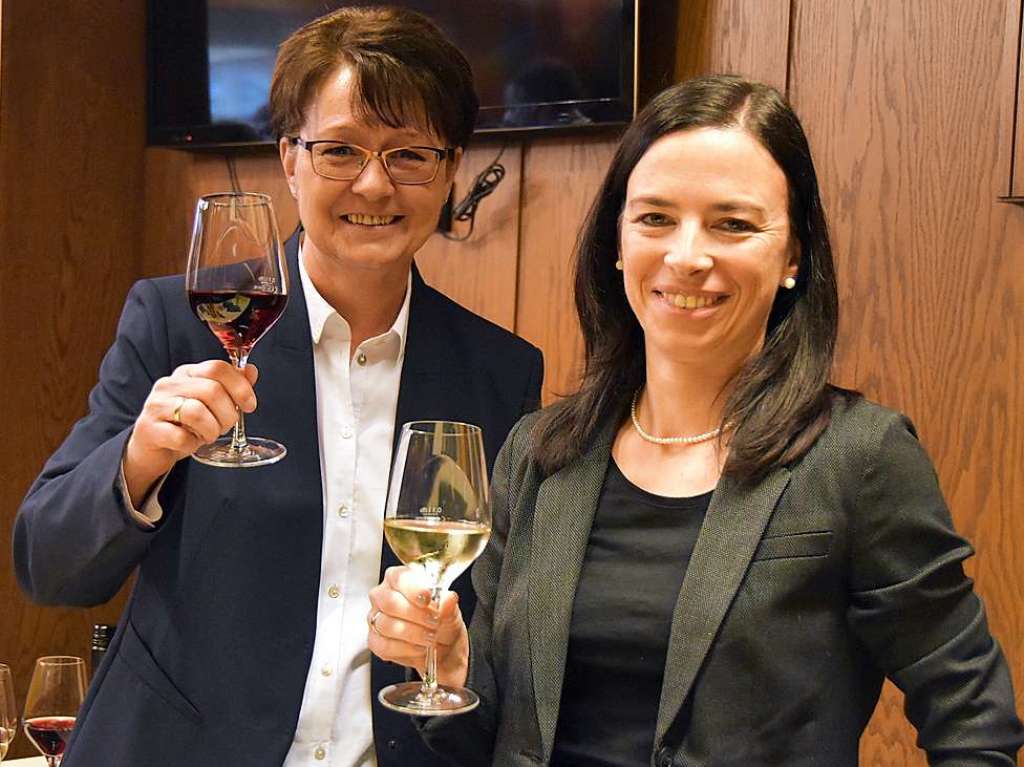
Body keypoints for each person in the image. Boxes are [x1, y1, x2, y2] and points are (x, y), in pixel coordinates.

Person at [367, 75, 1024, 766]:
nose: (686, 256)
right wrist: (448, 666)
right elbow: (489, 744)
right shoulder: (539, 453)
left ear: (794, 254)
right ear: (617, 240)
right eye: (655, 218)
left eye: (732, 224)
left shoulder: (860, 456)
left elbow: (974, 722)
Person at [13, 7, 542, 767]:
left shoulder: (501, 371)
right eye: (339, 150)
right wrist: (137, 461)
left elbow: (502, 638)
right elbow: (47, 563)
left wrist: (455, 658)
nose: (373, 182)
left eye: (409, 155)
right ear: (288, 158)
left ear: (452, 165)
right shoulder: (181, 322)